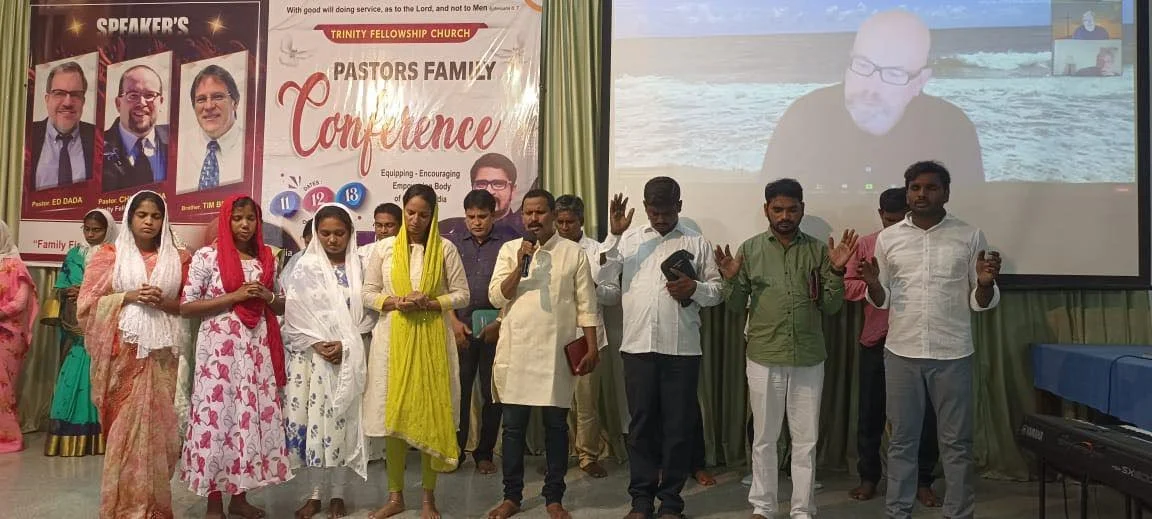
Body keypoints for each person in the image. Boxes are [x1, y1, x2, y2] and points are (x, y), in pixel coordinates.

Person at [857, 160, 1002, 519]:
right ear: (907, 192)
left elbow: (980, 302)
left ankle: (959, 513)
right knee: (902, 440)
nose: (922, 194)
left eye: (931, 187)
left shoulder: (969, 235)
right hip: (901, 353)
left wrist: (984, 284)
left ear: (946, 193)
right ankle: (898, 511)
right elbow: (883, 299)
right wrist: (874, 284)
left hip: (952, 353)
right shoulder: (888, 239)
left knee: (956, 443)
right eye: (915, 188)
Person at [714, 178, 856, 519]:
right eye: (777, 209)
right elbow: (735, 307)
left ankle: (802, 509)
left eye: (792, 209)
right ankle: (762, 507)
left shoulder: (820, 251)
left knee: (805, 440)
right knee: (764, 438)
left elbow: (833, 307)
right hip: (764, 355)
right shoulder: (750, 250)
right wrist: (731, 279)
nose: (785, 216)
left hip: (808, 355)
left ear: (802, 209)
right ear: (766, 210)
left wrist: (836, 270)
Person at [600, 177, 724, 519]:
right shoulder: (628, 241)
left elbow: (717, 292)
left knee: (678, 428)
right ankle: (640, 502)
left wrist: (694, 288)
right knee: (639, 427)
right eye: (653, 212)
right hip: (637, 347)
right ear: (644, 208)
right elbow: (606, 291)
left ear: (679, 207)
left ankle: (671, 503)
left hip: (682, 350)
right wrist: (612, 236)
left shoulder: (697, 243)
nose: (659, 219)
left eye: (666, 212)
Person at [760, 9, 983, 188]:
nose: (871, 87)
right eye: (863, 65)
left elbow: (972, 215)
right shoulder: (803, 116)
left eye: (894, 73)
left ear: (920, 82)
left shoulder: (952, 128)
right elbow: (765, 207)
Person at [485, 190, 600, 519]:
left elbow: (586, 305)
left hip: (554, 353)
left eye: (540, 212)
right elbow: (496, 297)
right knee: (513, 430)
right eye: (528, 213)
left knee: (555, 428)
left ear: (552, 214)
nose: (533, 218)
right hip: (517, 352)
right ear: (522, 217)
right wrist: (521, 265)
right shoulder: (511, 251)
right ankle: (512, 497)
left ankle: (553, 497)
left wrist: (591, 347)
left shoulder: (573, 252)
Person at [77, 190, 190, 517]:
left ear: (164, 219)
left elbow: (190, 305)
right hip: (123, 354)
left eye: (156, 216)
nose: (149, 222)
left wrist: (162, 302)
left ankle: (154, 507)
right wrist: (128, 295)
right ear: (130, 217)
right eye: (142, 215)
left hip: (164, 355)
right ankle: (123, 508)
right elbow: (87, 307)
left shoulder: (179, 259)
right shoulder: (108, 256)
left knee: (161, 435)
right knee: (124, 434)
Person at [179, 195, 291, 519]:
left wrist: (266, 295)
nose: (244, 225)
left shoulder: (266, 259)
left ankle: (239, 498)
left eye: (251, 219)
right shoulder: (207, 257)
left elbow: (281, 305)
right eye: (237, 218)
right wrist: (236, 296)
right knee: (218, 423)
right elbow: (187, 307)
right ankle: (215, 503)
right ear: (226, 220)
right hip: (219, 356)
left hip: (256, 353)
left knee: (245, 422)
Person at [361, 184, 469, 519]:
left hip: (433, 339)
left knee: (429, 414)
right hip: (392, 341)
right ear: (403, 210)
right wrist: (396, 302)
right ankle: (395, 497)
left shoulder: (446, 249)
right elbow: (368, 293)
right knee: (395, 418)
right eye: (410, 213)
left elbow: (462, 294)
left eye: (423, 214)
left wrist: (433, 302)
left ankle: (427, 498)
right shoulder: (383, 250)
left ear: (433, 214)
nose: (416, 220)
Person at [843, 187, 942, 506]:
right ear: (880, 215)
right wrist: (876, 287)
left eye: (900, 220)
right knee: (871, 413)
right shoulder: (866, 244)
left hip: (919, 340)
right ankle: (869, 477)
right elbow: (847, 285)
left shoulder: (927, 244)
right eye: (888, 220)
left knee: (925, 416)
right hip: (876, 338)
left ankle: (922, 480)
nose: (893, 226)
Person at [283, 204, 375, 519]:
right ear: (315, 235)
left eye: (339, 233)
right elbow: (294, 318)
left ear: (350, 234)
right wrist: (318, 343)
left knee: (342, 422)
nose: (333, 240)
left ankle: (337, 494)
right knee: (313, 424)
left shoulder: (360, 266)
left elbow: (368, 315)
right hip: (311, 359)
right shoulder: (305, 267)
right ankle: (314, 494)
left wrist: (345, 343)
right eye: (325, 233)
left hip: (349, 356)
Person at [448, 189, 512, 474]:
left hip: (495, 328)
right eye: (471, 217)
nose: (476, 222)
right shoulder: (452, 244)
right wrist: (452, 322)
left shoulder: (510, 242)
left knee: (491, 393)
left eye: (482, 217)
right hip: (460, 327)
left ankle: (484, 453)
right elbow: (441, 285)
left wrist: (499, 322)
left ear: (494, 215)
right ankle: (455, 451)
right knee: (458, 392)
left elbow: (516, 288)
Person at [44, 208, 117, 457]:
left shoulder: (116, 255)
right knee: (71, 371)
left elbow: (118, 288)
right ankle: (66, 430)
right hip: (74, 324)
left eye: (96, 229)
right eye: (87, 229)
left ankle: (98, 432)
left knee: (96, 374)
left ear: (108, 230)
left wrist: (87, 292)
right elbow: (61, 285)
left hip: (101, 324)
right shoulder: (74, 254)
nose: (91, 234)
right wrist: (69, 291)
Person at [554, 194, 617, 479]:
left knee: (587, 402)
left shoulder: (597, 251)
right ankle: (562, 453)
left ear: (582, 221)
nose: (564, 227)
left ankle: (588, 455)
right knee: (558, 402)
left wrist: (591, 287)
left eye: (570, 222)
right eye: (560, 222)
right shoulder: (549, 249)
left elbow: (613, 295)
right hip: (556, 336)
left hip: (588, 339)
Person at [0, 220, 40, 454]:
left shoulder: (16, 266)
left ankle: (8, 437)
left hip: (8, 334)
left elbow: (20, 302)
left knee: (4, 386)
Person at [177, 65, 245, 194]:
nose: (208, 106)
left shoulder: (251, 147)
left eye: (218, 97)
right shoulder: (178, 149)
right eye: (201, 99)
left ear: (235, 102)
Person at [30, 61, 96, 191]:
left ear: (83, 101)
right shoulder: (27, 135)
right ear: (47, 99)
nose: (68, 102)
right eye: (59, 93)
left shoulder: (98, 138)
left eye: (75, 95)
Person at [103, 64, 169, 192]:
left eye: (150, 95)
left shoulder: (179, 142)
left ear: (160, 102)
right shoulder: (97, 149)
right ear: (118, 104)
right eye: (133, 95)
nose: (142, 103)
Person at [440, 153, 526, 239]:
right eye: (481, 184)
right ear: (472, 187)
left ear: (513, 190)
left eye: (498, 184)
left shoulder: (521, 234)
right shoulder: (451, 232)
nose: (489, 191)